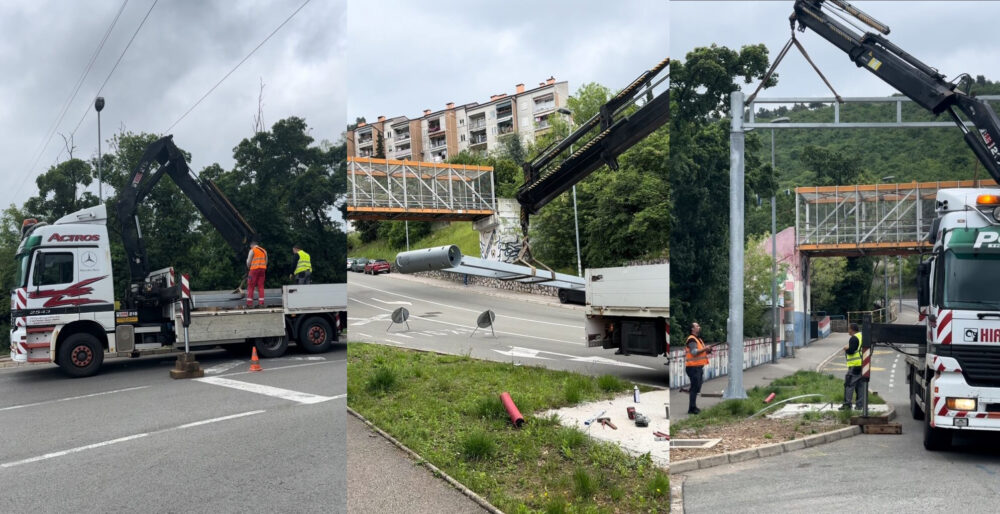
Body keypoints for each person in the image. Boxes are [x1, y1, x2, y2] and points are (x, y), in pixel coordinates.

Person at [685, 322, 711, 414]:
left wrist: (708, 350)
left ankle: (693, 407)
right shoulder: (692, 339)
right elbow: (694, 352)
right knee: (695, 388)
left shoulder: (698, 339)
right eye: (697, 326)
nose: (699, 327)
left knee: (697, 387)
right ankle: (692, 409)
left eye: (699, 326)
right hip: (693, 367)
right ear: (692, 329)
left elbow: (702, 352)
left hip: (698, 367)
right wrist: (705, 348)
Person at [841, 323, 865, 411]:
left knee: (849, 384)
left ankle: (847, 405)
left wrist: (846, 349)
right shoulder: (861, 336)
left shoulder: (854, 338)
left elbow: (851, 351)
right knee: (860, 386)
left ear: (852, 329)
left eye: (849, 328)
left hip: (854, 365)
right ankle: (859, 405)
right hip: (862, 365)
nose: (848, 330)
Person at [246, 241, 267, 308]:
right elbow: (266, 261)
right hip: (262, 270)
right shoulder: (264, 251)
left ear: (252, 245)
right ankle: (261, 303)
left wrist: (249, 267)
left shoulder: (252, 250)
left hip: (254, 269)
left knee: (250, 286)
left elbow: (248, 262)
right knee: (261, 286)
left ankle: (249, 304)